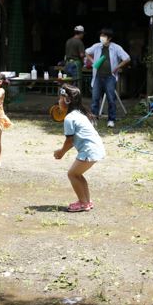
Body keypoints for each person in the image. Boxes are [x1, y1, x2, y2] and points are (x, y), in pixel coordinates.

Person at [53, 84, 105, 212]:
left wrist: (61, 152)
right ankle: (87, 201)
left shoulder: (69, 118)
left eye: (60, 98)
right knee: (78, 175)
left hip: (89, 150)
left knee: (72, 174)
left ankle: (83, 203)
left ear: (67, 100)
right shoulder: (79, 114)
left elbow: (69, 141)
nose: (58, 101)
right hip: (96, 148)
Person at [85, 28, 130, 128]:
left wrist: (117, 67)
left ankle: (111, 119)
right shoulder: (97, 46)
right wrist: (93, 61)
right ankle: (93, 119)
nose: (102, 38)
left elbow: (127, 58)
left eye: (104, 36)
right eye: (101, 35)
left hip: (110, 77)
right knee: (95, 99)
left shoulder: (116, 47)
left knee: (111, 99)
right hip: (97, 76)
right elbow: (86, 52)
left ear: (109, 38)